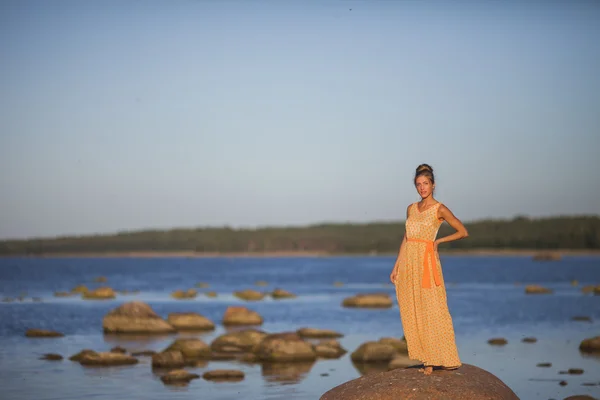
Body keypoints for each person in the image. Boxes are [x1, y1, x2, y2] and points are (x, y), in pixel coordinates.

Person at [389, 163, 468, 375]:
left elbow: (462, 231)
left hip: (426, 261)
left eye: (425, 184)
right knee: (414, 308)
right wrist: (397, 265)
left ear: (433, 185)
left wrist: (438, 242)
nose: (422, 188)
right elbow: (406, 238)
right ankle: (427, 357)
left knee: (433, 307)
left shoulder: (439, 208)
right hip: (409, 263)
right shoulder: (411, 209)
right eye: (418, 184)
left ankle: (441, 356)